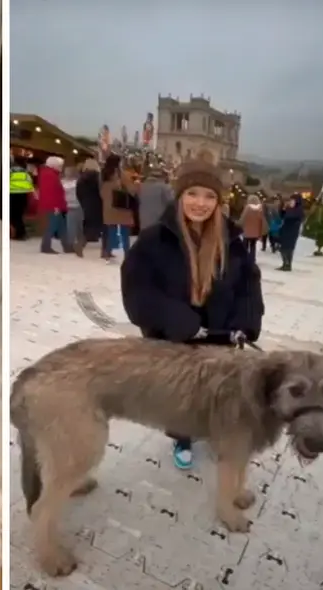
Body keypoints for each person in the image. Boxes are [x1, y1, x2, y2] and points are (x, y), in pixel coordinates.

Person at [120, 159, 265, 470]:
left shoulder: (232, 240)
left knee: (218, 393)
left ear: (218, 201)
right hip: (173, 341)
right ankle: (183, 436)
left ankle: (215, 432)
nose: (201, 203)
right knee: (182, 398)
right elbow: (138, 292)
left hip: (219, 338)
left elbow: (248, 284)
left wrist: (246, 321)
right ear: (180, 196)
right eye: (193, 194)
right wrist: (175, 318)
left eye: (209, 196)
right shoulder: (154, 240)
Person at [101, 154, 136, 262]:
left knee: (111, 231)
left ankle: (107, 252)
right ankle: (127, 253)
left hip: (108, 206)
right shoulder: (120, 174)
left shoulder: (103, 173)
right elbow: (131, 189)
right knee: (125, 232)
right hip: (120, 206)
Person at [36, 156, 72, 254]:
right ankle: (45, 247)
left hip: (54, 205)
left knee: (61, 226)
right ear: (54, 165)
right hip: (53, 206)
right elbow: (50, 192)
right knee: (51, 227)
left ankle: (67, 246)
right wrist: (55, 206)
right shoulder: (50, 175)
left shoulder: (49, 174)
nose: (61, 167)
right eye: (60, 165)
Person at [76, 158, 108, 257]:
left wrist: (84, 203)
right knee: (105, 228)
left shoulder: (81, 179)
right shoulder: (98, 178)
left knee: (90, 228)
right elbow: (102, 191)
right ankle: (105, 251)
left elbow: (78, 194)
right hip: (99, 205)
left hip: (87, 205)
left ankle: (80, 245)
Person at [8, 156, 35, 240]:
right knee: (19, 216)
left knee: (11, 215)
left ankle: (12, 233)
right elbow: (30, 185)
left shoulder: (10, 171)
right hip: (23, 196)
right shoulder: (26, 173)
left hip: (12, 195)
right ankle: (20, 234)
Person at [276, 193, 305, 271]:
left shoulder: (299, 209)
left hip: (292, 231)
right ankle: (285, 263)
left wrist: (288, 210)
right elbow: (282, 216)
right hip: (285, 230)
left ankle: (288, 264)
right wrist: (283, 209)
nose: (291, 201)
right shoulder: (290, 208)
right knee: (283, 248)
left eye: (292, 200)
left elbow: (292, 217)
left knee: (288, 248)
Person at [62, 164, 85, 256]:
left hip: (68, 206)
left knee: (71, 226)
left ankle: (71, 243)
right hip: (79, 205)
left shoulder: (62, 183)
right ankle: (79, 242)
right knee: (79, 226)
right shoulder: (78, 182)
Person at [238, 194, 269, 263]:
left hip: (247, 231)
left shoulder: (247, 208)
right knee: (253, 246)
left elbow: (242, 219)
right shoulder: (260, 209)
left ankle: (244, 258)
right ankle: (252, 259)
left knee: (245, 246)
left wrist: (239, 224)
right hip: (255, 232)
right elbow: (262, 220)